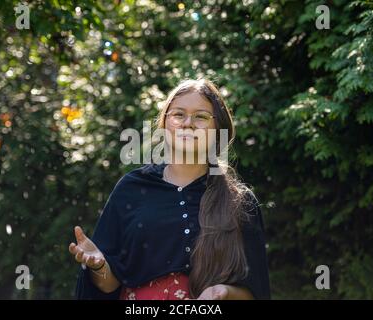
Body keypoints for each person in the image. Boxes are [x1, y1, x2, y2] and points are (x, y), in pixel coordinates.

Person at [69, 78, 270, 300]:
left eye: (201, 117)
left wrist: (221, 292)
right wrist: (99, 266)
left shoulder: (240, 202)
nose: (188, 123)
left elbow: (256, 292)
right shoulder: (132, 189)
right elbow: (108, 286)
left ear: (218, 129)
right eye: (178, 115)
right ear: (164, 125)